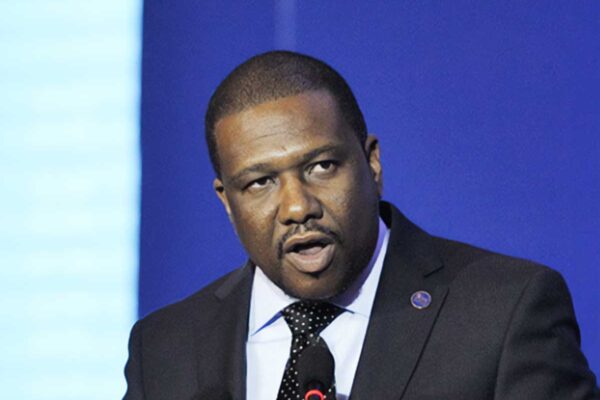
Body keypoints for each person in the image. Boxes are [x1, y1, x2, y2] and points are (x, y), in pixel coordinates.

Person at [123, 51, 599, 400]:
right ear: (227, 201)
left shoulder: (503, 312)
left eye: (321, 167)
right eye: (260, 182)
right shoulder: (164, 348)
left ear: (372, 163)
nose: (297, 207)